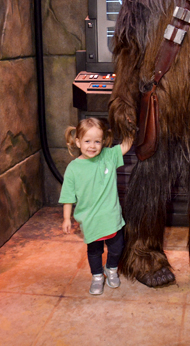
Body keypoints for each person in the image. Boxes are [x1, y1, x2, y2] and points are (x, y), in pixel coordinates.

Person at [60, 118, 133, 295]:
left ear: (103, 142)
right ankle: (97, 276)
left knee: (117, 248)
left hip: (112, 216)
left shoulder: (108, 156)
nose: (92, 146)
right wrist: (66, 218)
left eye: (97, 141)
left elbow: (126, 145)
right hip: (91, 220)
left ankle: (111, 269)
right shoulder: (73, 168)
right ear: (78, 142)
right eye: (87, 141)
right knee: (95, 251)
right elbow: (68, 196)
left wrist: (130, 127)